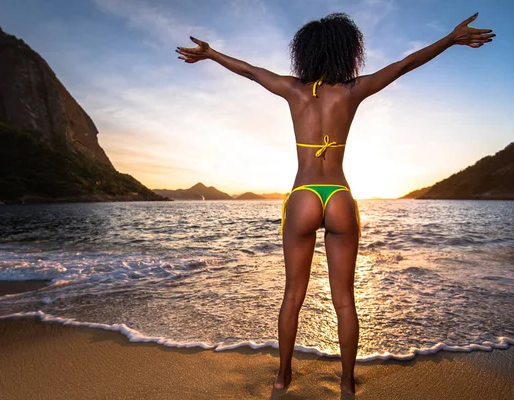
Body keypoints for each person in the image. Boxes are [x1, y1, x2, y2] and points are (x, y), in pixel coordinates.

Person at [176, 12, 494, 394]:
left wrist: (211, 54)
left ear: (305, 53)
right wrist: (449, 39)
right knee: (345, 299)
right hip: (339, 196)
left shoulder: (293, 90)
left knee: (293, 294)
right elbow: (404, 65)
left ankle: (282, 376)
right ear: (348, 51)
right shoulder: (351, 91)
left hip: (304, 196)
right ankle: (346, 383)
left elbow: (250, 71)